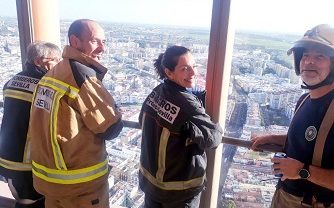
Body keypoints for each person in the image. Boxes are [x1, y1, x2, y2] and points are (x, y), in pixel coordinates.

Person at [28, 19, 123, 208]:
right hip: (79, 187)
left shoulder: (54, 73)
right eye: (96, 41)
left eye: (104, 41)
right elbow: (111, 128)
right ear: (75, 41)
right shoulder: (82, 76)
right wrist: (115, 108)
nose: (102, 48)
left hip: (49, 181)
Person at [251, 24, 334, 207]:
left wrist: (303, 171)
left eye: (319, 56)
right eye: (305, 55)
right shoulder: (304, 100)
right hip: (285, 196)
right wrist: (273, 138)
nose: (309, 61)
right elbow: (309, 142)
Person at [139, 45, 223, 208]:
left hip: (150, 184)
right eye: (185, 69)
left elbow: (141, 120)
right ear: (168, 72)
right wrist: (196, 121)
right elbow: (214, 138)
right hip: (178, 191)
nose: (193, 73)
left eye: (194, 67)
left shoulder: (156, 92)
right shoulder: (187, 104)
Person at [0, 41, 61, 208]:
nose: (59, 64)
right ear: (38, 61)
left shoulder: (11, 81)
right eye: (55, 59)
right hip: (27, 161)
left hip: (7, 155)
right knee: (33, 202)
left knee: (23, 200)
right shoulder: (45, 86)